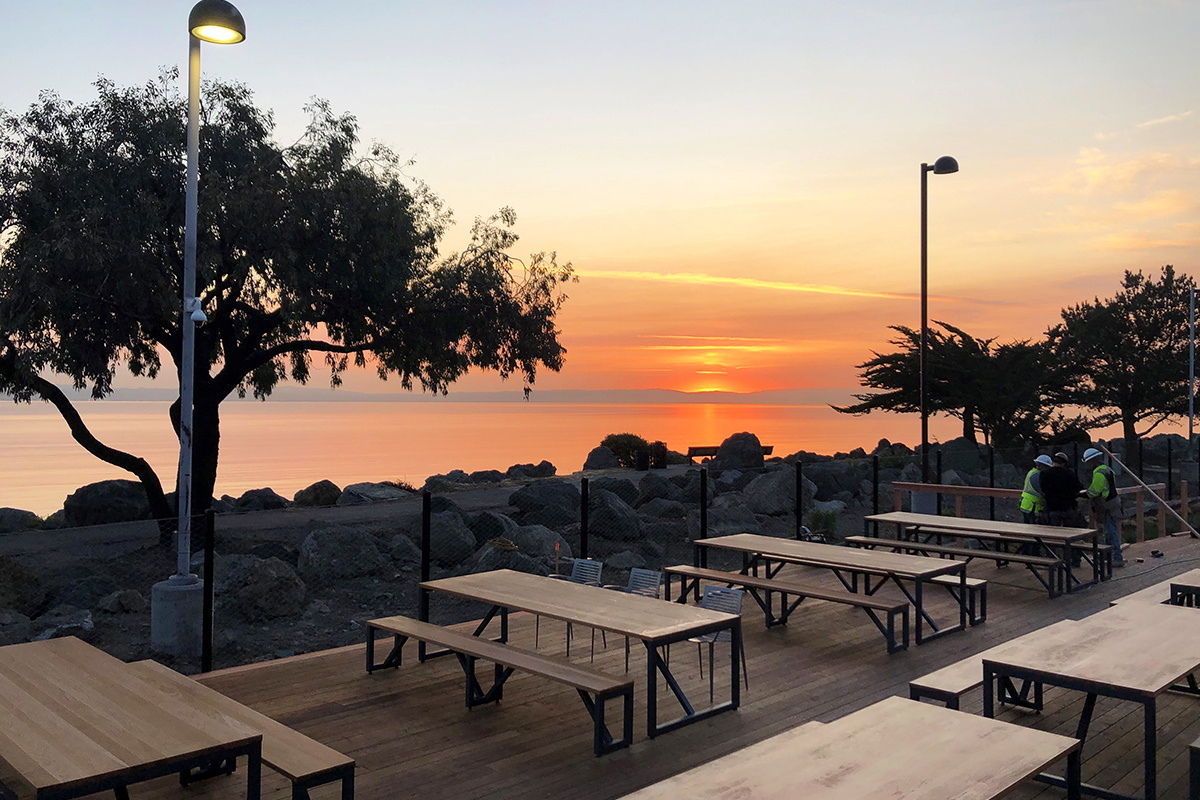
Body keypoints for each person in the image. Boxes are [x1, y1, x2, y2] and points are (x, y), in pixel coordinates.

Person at [1083, 447, 1125, 567]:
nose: (1089, 464)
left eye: (1089, 462)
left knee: (1111, 532)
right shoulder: (1108, 470)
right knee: (1110, 531)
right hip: (1113, 503)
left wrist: (1081, 495)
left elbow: (1093, 492)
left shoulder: (1099, 474)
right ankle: (1110, 556)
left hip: (1106, 505)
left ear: (1092, 461)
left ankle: (1116, 557)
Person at [1040, 452, 1084, 527]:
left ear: (1052, 462)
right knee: (1068, 531)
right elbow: (1078, 487)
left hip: (1052, 507)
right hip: (1067, 507)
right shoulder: (1070, 474)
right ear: (1063, 463)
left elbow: (1043, 489)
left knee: (1054, 531)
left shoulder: (1044, 473)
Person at [1020, 455, 1052, 524]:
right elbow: (1042, 490)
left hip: (1027, 504)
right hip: (1032, 506)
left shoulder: (1032, 472)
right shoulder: (1037, 475)